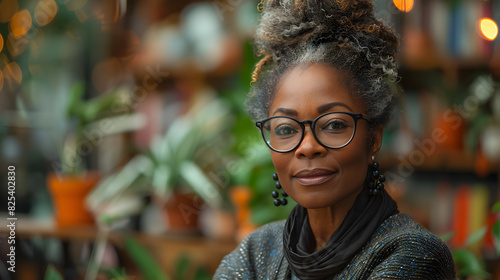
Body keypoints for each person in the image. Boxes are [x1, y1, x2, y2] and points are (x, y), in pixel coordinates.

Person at [215, 0, 456, 279]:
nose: (307, 147)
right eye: (285, 129)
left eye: (334, 124)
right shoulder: (255, 252)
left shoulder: (412, 254)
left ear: (374, 138)